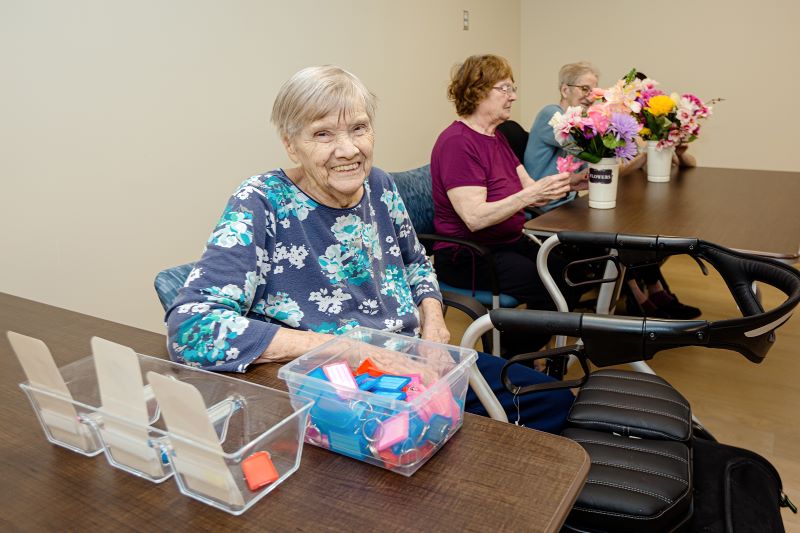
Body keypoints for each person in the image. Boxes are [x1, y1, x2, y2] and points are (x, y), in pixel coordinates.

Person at [166, 65, 573, 432]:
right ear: (291, 145)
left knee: (553, 402)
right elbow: (191, 328)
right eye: (323, 134)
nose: (348, 149)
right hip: (340, 389)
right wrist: (344, 347)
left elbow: (416, 263)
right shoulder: (260, 200)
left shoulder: (379, 186)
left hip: (413, 359)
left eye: (359, 128)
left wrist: (433, 322)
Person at [430, 54, 587, 356]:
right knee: (550, 291)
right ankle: (511, 359)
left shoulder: (496, 137)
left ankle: (521, 353)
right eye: (505, 88)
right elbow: (474, 218)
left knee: (568, 274)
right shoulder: (457, 143)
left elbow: (531, 189)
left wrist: (570, 182)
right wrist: (529, 196)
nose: (513, 96)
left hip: (506, 242)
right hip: (469, 254)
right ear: (478, 91)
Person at [524, 62, 701, 319]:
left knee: (633, 229)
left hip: (569, 203)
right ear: (565, 89)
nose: (591, 95)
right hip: (548, 211)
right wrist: (618, 133)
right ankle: (642, 299)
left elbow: (605, 161)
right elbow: (593, 152)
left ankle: (654, 292)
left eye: (595, 90)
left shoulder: (584, 123)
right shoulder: (551, 115)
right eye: (585, 88)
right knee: (620, 237)